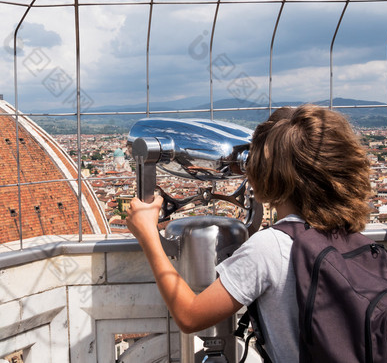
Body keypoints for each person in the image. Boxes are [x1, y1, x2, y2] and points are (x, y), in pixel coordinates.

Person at [126, 104, 372, 363]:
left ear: (270, 174)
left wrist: (148, 235)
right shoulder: (358, 240)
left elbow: (190, 316)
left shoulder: (271, 248)